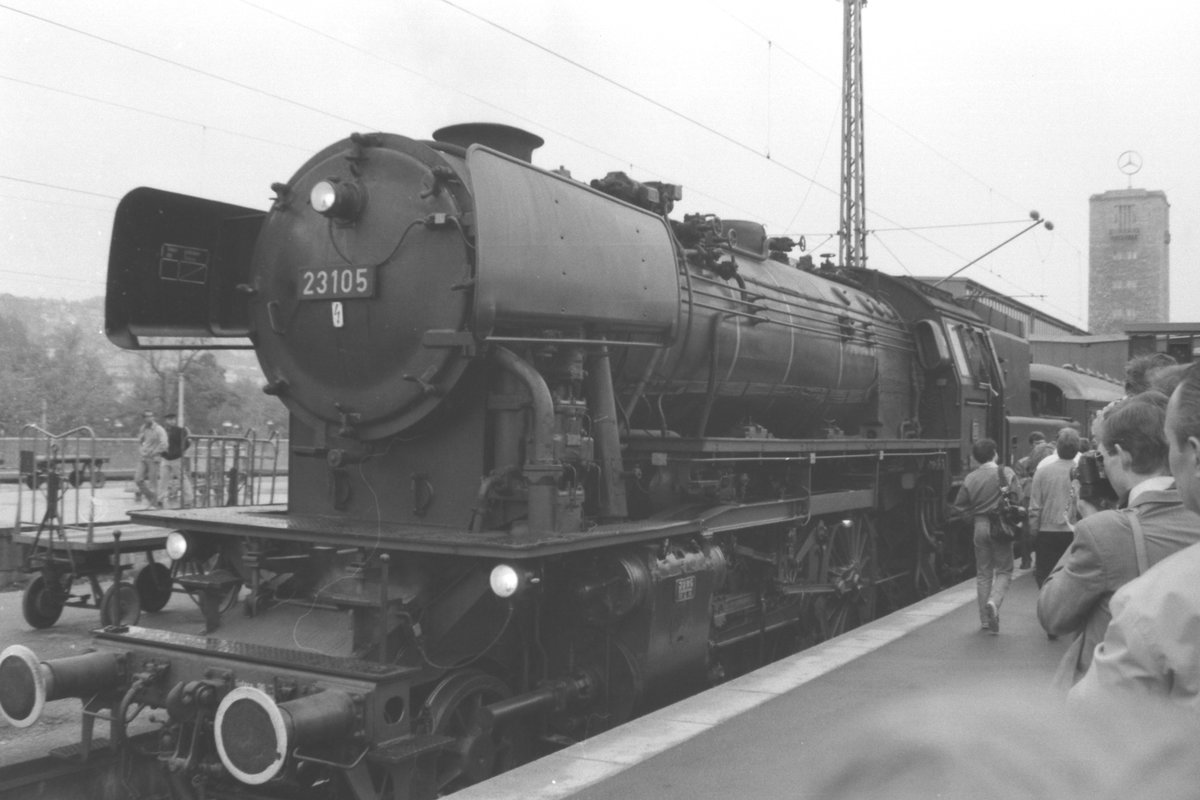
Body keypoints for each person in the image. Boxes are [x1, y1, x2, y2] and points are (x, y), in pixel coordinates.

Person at [1038, 392, 1200, 687]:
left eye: (1102, 456)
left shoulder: (1103, 532)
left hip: (1121, 709)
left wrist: (1088, 522)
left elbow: (1052, 614)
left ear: (1123, 455)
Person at [948, 438, 1017, 633]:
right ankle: (994, 603)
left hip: (980, 526)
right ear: (995, 453)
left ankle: (985, 620)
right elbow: (1017, 498)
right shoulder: (1006, 473)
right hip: (1001, 527)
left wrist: (974, 519)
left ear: (976, 457)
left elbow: (959, 506)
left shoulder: (970, 478)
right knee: (1004, 570)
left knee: (983, 573)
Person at [1027, 427, 1081, 588]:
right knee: (1070, 576)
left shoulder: (1042, 472)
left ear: (1057, 447)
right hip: (1074, 531)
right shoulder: (1082, 472)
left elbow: (1034, 507)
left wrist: (1033, 533)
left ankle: (1046, 608)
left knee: (1045, 576)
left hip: (1047, 532)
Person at [1015, 432, 1056, 568]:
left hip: (1037, 494)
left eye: (1042, 443)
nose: (1040, 446)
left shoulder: (1049, 459)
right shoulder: (1023, 462)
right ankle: (1026, 560)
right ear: (1031, 445)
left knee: (1034, 529)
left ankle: (1035, 561)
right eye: (1037, 444)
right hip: (1029, 495)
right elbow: (1018, 481)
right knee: (1027, 531)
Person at [157, 411, 193, 509]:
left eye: (172, 419)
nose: (171, 421)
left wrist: (179, 452)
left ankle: (188, 500)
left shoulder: (180, 431)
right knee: (163, 479)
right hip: (166, 457)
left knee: (182, 479)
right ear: (166, 420)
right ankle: (160, 499)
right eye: (169, 420)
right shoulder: (164, 431)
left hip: (176, 458)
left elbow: (187, 443)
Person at [134, 409, 167, 506]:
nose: (149, 418)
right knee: (138, 479)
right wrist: (141, 449)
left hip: (153, 458)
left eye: (151, 416)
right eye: (147, 416)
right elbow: (140, 440)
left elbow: (164, 443)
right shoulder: (143, 428)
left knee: (153, 482)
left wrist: (155, 452)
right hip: (144, 457)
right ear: (144, 418)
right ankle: (152, 498)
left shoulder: (159, 429)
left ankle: (155, 503)